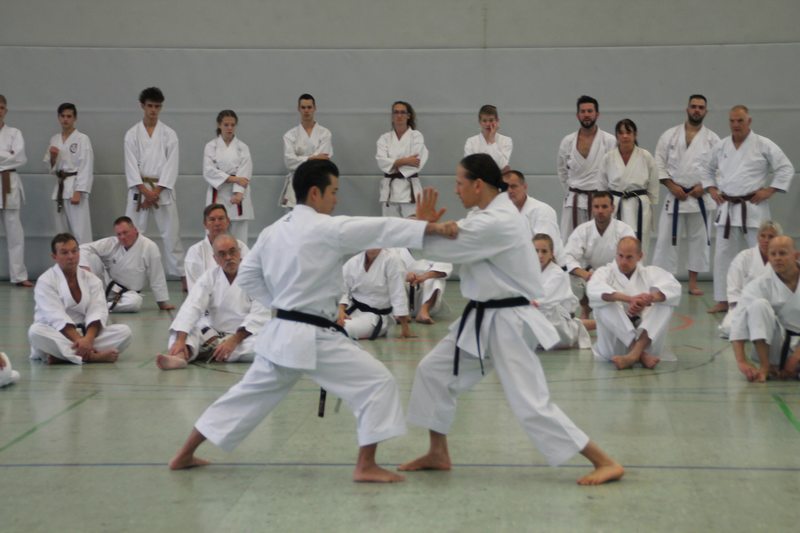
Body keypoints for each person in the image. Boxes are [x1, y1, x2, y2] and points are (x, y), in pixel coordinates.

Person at [168, 159, 457, 482]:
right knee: (377, 382)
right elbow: (379, 228)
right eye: (333, 191)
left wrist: (282, 303)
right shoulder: (327, 228)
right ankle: (366, 465)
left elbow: (248, 276)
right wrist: (426, 227)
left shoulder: (273, 231)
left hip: (282, 333)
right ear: (315, 193)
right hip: (314, 336)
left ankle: (184, 454)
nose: (336, 199)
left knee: (244, 396)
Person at [399, 154, 624, 486]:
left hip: (508, 323)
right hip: (482, 318)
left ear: (478, 185)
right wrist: (432, 228)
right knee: (433, 372)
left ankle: (605, 461)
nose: (456, 190)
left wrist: (423, 228)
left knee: (530, 402)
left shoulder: (497, 221)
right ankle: (437, 452)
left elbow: (451, 246)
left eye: (459, 183)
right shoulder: (485, 215)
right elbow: (455, 235)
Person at [702, 105, 794, 314]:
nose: (735, 125)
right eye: (732, 121)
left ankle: (768, 296)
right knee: (723, 255)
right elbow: (706, 168)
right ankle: (723, 299)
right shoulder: (722, 146)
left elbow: (785, 168)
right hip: (727, 207)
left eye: (740, 121)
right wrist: (711, 188)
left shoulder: (763, 144)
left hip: (753, 207)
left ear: (749, 121)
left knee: (763, 252)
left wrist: (770, 190)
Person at [157, 235, 269, 370]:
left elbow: (259, 316)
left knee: (266, 344)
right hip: (213, 334)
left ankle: (204, 351)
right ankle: (180, 356)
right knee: (181, 331)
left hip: (244, 336)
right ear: (215, 259)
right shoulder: (209, 277)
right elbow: (192, 306)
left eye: (232, 251)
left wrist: (233, 340)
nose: (228, 257)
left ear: (240, 252)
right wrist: (181, 340)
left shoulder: (256, 277)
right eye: (222, 254)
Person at [651, 95, 720, 296]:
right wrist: (671, 185)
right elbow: (658, 163)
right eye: (693, 106)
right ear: (687, 109)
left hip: (700, 198)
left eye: (701, 107)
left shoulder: (713, 139)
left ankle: (693, 283)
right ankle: (664, 283)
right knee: (666, 241)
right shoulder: (669, 136)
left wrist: (704, 186)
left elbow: (719, 168)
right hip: (676, 195)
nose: (697, 110)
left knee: (699, 242)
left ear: (706, 111)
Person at [28, 233, 132, 364]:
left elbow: (97, 311)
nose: (71, 256)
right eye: (64, 252)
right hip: (57, 334)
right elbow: (56, 317)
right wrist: (80, 341)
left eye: (74, 251)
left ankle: (63, 356)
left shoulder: (92, 279)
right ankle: (91, 357)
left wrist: (87, 340)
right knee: (35, 331)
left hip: (86, 335)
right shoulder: (46, 281)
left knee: (124, 332)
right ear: (54, 256)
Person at [587, 236, 681, 370]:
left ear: (640, 256)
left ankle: (635, 353)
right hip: (613, 347)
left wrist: (649, 299)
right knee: (603, 303)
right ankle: (639, 355)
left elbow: (674, 288)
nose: (623, 261)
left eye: (629, 257)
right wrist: (629, 299)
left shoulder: (651, 273)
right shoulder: (604, 273)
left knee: (666, 302)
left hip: (646, 341)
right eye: (620, 256)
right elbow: (593, 290)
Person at [124, 87, 185, 281]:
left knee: (171, 233)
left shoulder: (169, 134)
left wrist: (156, 192)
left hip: (162, 189)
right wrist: (145, 191)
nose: (153, 110)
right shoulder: (132, 134)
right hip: (139, 189)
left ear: (161, 107)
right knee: (132, 233)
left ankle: (181, 274)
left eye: (157, 106)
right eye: (150, 106)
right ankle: (131, 273)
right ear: (142, 106)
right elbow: (130, 165)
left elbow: (172, 165)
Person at [729, 236, 800, 383]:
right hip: (777, 346)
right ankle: (765, 366)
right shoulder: (760, 284)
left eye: (782, 253)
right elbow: (738, 321)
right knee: (758, 305)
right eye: (773, 254)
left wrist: (796, 357)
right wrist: (741, 361)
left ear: (795, 255)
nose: (777, 258)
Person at [563, 192, 636, 319]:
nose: (600, 211)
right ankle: (585, 306)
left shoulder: (624, 230)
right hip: (590, 275)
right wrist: (585, 274)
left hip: (616, 275)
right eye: (596, 207)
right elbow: (567, 257)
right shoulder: (583, 230)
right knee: (567, 274)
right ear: (592, 208)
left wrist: (608, 274)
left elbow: (631, 257)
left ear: (612, 208)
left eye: (604, 206)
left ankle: (621, 311)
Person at [80, 216, 175, 312]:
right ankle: (90, 300)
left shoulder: (149, 247)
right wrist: (84, 267)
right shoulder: (112, 243)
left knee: (135, 302)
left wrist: (162, 302)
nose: (122, 237)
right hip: (105, 288)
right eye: (119, 234)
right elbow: (82, 248)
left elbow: (157, 276)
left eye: (125, 232)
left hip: (127, 294)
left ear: (135, 230)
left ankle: (98, 306)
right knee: (92, 257)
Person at [556, 95, 617, 240]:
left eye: (590, 111)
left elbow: (614, 172)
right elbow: (562, 170)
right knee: (569, 241)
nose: (586, 115)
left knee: (600, 241)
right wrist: (571, 189)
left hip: (599, 200)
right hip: (574, 199)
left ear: (597, 114)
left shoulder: (609, 141)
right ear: (578, 115)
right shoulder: (568, 141)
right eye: (583, 111)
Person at [600, 119, 659, 257]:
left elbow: (653, 184)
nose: (625, 136)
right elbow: (602, 186)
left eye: (628, 132)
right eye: (621, 133)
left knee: (640, 243)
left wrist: (649, 203)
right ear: (616, 135)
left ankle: (639, 269)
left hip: (639, 206)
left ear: (635, 134)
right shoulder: (608, 157)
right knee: (615, 243)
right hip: (616, 205)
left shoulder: (645, 156)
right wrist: (605, 206)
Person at [718, 221, 781, 338]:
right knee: (729, 328)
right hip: (744, 306)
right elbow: (733, 288)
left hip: (773, 308)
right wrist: (740, 309)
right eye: (763, 236)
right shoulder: (743, 257)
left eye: (771, 237)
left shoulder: (782, 260)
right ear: (757, 237)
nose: (766, 240)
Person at [43, 102, 94, 244]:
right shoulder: (54, 139)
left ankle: (85, 258)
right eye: (63, 116)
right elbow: (50, 168)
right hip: (60, 188)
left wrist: (79, 191)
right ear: (58, 117)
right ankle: (63, 258)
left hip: (75, 187)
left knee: (81, 232)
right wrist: (53, 158)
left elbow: (86, 166)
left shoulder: (82, 139)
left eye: (69, 116)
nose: (65, 119)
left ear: (75, 118)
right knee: (61, 234)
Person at [337, 248, 413, 339]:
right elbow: (343, 289)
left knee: (343, 328)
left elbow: (398, 293)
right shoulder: (354, 262)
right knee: (326, 324)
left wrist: (405, 327)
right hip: (353, 310)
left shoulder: (392, 260)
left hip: (375, 317)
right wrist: (340, 311)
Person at [533, 233, 592, 350]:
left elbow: (544, 300)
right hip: (541, 313)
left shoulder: (557, 274)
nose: (540, 255)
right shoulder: (530, 271)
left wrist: (527, 303)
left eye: (544, 251)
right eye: (536, 251)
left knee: (541, 312)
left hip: (559, 321)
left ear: (551, 253)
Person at [203, 110, 253, 244]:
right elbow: (208, 171)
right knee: (215, 236)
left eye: (232, 125)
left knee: (239, 240)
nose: (229, 128)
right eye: (226, 125)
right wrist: (234, 179)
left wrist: (239, 193)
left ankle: (241, 259)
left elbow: (245, 172)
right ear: (219, 125)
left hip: (237, 196)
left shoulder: (242, 147)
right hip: (218, 193)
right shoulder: (211, 146)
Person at [375, 101, 429, 217]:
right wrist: (405, 161)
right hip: (390, 191)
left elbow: (417, 162)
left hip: (410, 190)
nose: (399, 116)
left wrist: (393, 164)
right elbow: (381, 161)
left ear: (408, 116)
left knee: (412, 225)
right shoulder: (384, 138)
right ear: (392, 116)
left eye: (402, 112)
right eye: (396, 112)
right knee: (390, 226)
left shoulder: (416, 136)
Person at [0, 94, 32, 287]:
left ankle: (19, 275)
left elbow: (20, 158)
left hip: (9, 183)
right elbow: (11, 156)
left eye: (1, 107)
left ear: (6, 110)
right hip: (6, 177)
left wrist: (7, 157)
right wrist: (7, 154)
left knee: (15, 233)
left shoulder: (15, 133)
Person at [281, 93, 333, 208]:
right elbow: (289, 162)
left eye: (309, 107)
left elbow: (323, 161)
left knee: (317, 216)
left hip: (318, 181)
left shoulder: (325, 133)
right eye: (303, 107)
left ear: (314, 108)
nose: (306, 111)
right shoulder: (290, 135)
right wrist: (312, 158)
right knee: (295, 217)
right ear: (298, 109)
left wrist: (300, 159)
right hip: (297, 182)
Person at [503, 169, 564, 263]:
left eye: (513, 186)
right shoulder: (503, 213)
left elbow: (544, 250)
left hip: (547, 267)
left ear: (525, 187)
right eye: (505, 187)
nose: (509, 190)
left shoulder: (542, 211)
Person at [184, 204, 249, 291]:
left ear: (228, 221)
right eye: (212, 219)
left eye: (221, 218)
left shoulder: (241, 246)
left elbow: (249, 277)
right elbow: (194, 289)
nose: (217, 223)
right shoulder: (195, 251)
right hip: (206, 297)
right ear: (205, 224)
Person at [393, 247, 451, 325]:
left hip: (425, 293)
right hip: (402, 296)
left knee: (436, 280)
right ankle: (401, 313)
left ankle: (423, 312)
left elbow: (443, 266)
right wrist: (404, 275)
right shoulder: (394, 247)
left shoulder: (433, 246)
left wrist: (424, 276)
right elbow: (390, 267)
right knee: (396, 279)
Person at [463, 105, 512, 172]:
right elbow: (469, 166)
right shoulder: (471, 141)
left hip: (497, 178)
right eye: (484, 121)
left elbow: (501, 165)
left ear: (497, 121)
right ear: (480, 122)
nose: (488, 124)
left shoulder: (506, 140)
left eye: (491, 120)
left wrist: (492, 140)